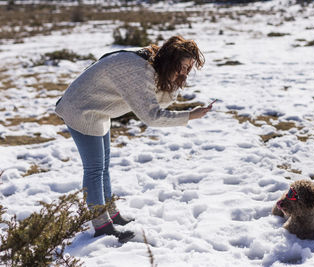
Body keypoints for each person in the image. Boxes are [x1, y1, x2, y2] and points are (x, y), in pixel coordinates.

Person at [55, 35, 212, 243]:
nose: (184, 73)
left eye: (188, 68)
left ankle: (112, 214)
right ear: (171, 60)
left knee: (104, 167)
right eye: (182, 67)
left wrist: (176, 81)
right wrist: (190, 115)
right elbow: (152, 116)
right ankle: (102, 225)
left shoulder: (155, 64)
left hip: (98, 112)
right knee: (94, 170)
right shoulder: (139, 71)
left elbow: (161, 101)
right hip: (80, 109)